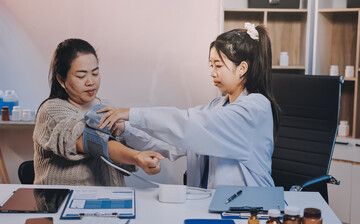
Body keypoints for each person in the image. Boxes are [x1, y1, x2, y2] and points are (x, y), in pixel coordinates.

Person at [98, 23, 280, 189]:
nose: (212, 73)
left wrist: (132, 114)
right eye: (211, 65)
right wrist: (125, 129)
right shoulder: (216, 107)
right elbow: (171, 141)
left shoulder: (255, 109)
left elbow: (188, 124)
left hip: (250, 209)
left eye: (218, 65)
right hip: (208, 203)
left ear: (242, 68)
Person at [33, 38, 163, 186]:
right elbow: (91, 140)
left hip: (109, 200)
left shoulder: (106, 106)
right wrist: (136, 156)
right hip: (63, 202)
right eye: (81, 76)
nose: (90, 82)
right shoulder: (51, 110)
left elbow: (123, 158)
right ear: (61, 79)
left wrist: (143, 158)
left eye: (95, 73)